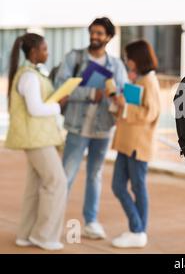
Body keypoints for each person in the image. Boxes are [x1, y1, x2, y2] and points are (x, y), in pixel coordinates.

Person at [54, 17, 128, 239]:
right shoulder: (74, 58)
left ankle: (91, 222)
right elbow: (61, 88)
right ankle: (54, 221)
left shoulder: (116, 66)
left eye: (99, 34)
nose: (94, 37)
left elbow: (124, 94)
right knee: (65, 175)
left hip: (103, 129)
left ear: (108, 37)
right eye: (92, 32)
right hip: (77, 127)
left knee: (95, 175)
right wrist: (90, 93)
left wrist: (119, 98)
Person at [5, 33, 68, 251]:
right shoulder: (29, 77)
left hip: (36, 138)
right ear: (33, 52)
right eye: (44, 49)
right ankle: (44, 235)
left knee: (35, 186)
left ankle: (26, 234)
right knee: (57, 182)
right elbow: (35, 109)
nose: (47, 53)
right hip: (37, 139)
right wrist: (59, 105)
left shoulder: (28, 74)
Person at [110, 40, 161, 248]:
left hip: (138, 145)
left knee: (138, 187)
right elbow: (133, 108)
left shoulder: (149, 81)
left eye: (128, 57)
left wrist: (124, 106)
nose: (126, 61)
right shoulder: (140, 79)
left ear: (137, 59)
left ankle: (138, 230)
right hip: (127, 142)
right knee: (118, 185)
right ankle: (137, 229)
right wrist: (120, 104)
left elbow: (151, 113)